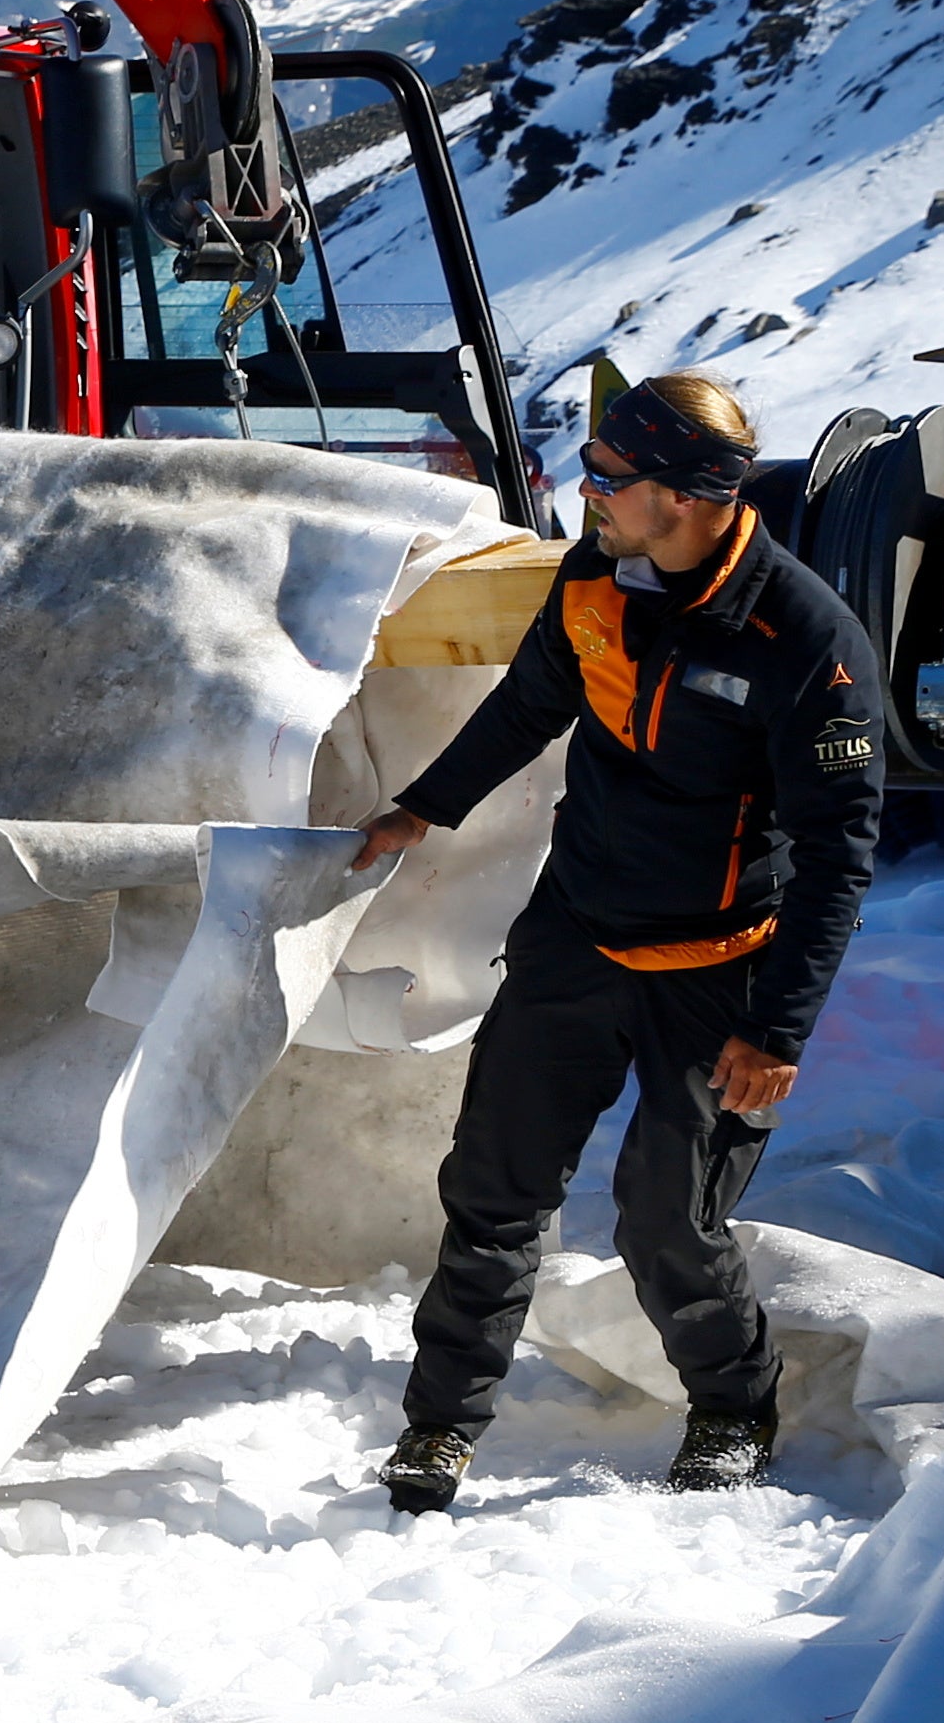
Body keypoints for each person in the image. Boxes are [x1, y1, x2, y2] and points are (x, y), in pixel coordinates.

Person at [348, 371, 884, 1508]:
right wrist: (422, 806)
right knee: (493, 1186)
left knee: (666, 1214)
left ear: (687, 497)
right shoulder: (593, 577)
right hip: (577, 938)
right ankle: (440, 1427)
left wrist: (776, 1030)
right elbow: (529, 704)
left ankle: (735, 1405)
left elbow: (842, 855)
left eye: (609, 477)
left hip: (722, 970)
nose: (584, 491)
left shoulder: (808, 643)